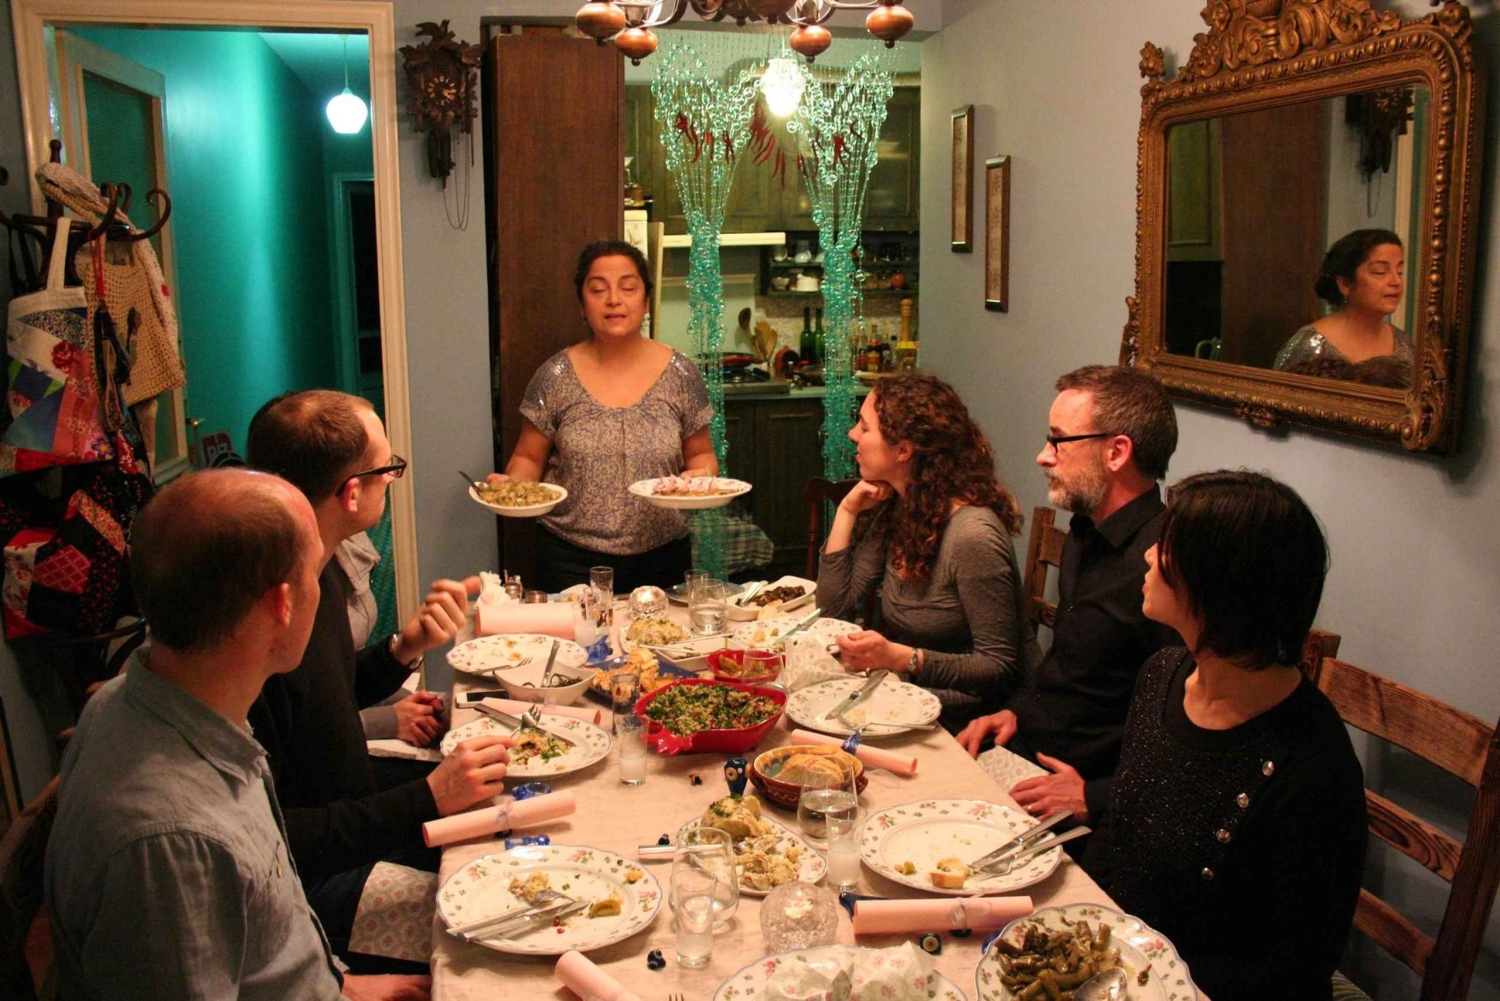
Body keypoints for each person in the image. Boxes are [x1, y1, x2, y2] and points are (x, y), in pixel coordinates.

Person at [45, 469, 431, 1001]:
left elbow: (267, 936)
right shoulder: (172, 845)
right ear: (283, 604)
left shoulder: (161, 697)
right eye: (317, 571)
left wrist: (341, 986)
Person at [247, 390, 513, 972]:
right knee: (496, 925)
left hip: (352, 811)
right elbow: (268, 838)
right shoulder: (264, 620)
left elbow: (324, 695)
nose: (392, 480)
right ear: (350, 492)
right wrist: (429, 797)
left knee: (511, 806)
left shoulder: (322, 564)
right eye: (387, 469)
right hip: (308, 887)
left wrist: (401, 649)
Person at [1082, 471, 1365, 1000]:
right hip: (1113, 967)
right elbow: (1119, 828)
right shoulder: (1162, 675)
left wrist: (1145, 979)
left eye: (1166, 547)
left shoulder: (1312, 767)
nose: (1148, 556)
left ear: (1220, 584)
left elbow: (1295, 972)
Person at [956, 365, 1180, 828]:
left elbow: (1179, 728)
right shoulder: (1084, 529)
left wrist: (1096, 797)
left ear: (1117, 451)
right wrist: (1015, 711)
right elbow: (1072, 666)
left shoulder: (1167, 564)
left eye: (1059, 440)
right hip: (1025, 752)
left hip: (1089, 800)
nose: (1043, 455)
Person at [495, 240, 718, 592]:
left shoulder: (681, 373)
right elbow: (527, 457)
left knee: (662, 646)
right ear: (582, 305)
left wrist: (698, 478)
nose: (614, 299)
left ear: (646, 301)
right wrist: (511, 490)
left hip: (663, 554)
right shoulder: (553, 376)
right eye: (598, 289)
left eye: (628, 288)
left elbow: (702, 455)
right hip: (568, 558)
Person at [816, 374, 1035, 731]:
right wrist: (847, 513)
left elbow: (998, 667)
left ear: (903, 450)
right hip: (909, 700)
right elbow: (833, 610)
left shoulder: (972, 535)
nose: (853, 434)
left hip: (972, 718)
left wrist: (903, 658)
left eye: (864, 426)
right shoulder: (904, 506)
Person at [1274, 228, 1414, 388]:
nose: (1396, 282)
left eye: (1400, 271)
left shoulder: (1404, 345)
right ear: (1345, 284)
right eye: (1380, 272)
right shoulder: (1310, 345)